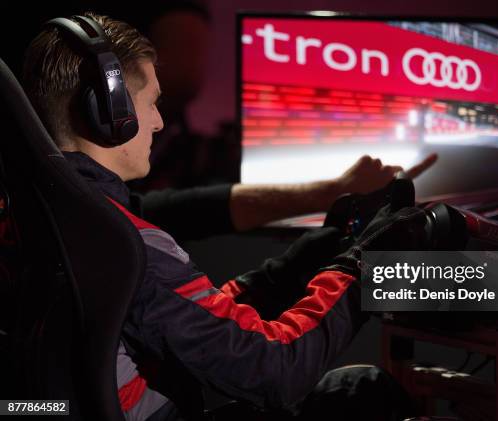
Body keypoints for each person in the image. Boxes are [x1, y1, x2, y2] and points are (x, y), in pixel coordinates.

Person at [23, 13, 434, 420]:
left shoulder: (40, 220)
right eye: (152, 103)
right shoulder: (129, 244)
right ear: (110, 113)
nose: (159, 122)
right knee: (363, 392)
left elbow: (178, 321)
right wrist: (361, 269)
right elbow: (276, 371)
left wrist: (282, 276)